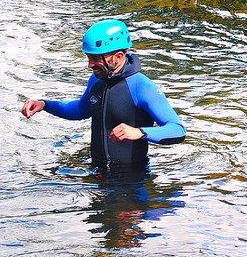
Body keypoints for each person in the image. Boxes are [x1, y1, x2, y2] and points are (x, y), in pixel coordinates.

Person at [21, 19, 186, 169]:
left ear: (118, 57)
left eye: (94, 58)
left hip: (132, 179)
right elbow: (80, 109)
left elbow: (177, 130)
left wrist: (140, 132)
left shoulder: (141, 86)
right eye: (88, 58)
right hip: (98, 172)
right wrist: (45, 104)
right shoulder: (96, 80)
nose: (89, 65)